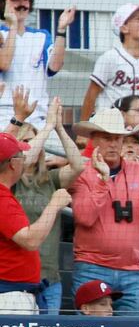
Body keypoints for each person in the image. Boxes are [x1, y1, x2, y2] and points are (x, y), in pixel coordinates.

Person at [68, 107, 139, 315]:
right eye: (106, 138)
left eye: (117, 138)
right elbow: (84, 217)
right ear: (94, 140)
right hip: (92, 268)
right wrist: (103, 180)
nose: (113, 144)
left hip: (133, 272)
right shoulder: (82, 172)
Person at [0, 131, 68, 312]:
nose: (25, 159)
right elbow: (30, 240)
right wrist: (54, 204)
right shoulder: (1, 197)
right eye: (21, 156)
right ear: (13, 164)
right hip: (9, 297)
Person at [0, 0, 74, 130]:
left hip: (38, 115)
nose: (22, 4)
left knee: (62, 152)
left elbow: (54, 67)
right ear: (3, 4)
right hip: (4, 115)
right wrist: (12, 25)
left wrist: (61, 30)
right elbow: (4, 64)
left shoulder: (41, 35)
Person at [83, 3, 139, 122]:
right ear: (124, 28)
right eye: (138, 19)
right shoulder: (109, 58)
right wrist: (83, 132)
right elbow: (91, 96)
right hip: (109, 126)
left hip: (137, 131)